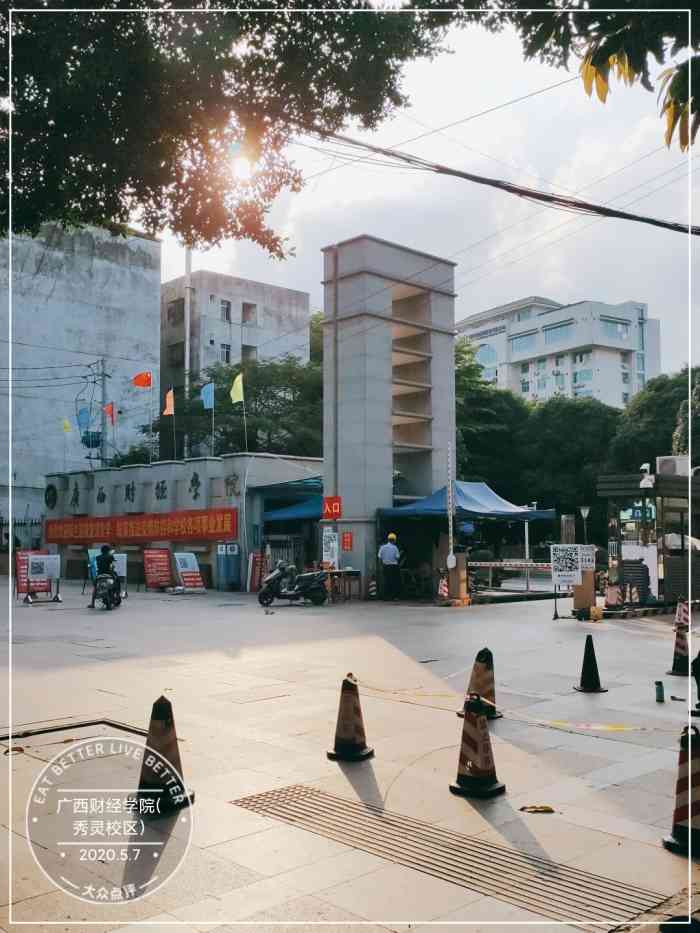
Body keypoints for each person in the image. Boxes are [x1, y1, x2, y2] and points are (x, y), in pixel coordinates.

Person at [88, 544, 118, 609]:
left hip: (99, 575)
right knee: (116, 581)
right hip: (108, 574)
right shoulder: (110, 556)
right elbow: (113, 565)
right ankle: (117, 594)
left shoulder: (97, 557)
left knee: (95, 587)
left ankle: (92, 604)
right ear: (108, 551)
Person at [378, 532, 401, 601]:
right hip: (394, 567)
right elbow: (397, 557)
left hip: (385, 566)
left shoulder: (382, 547)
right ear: (394, 540)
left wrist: (381, 565)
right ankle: (394, 597)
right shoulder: (395, 548)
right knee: (395, 582)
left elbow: (379, 557)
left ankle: (386, 597)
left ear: (388, 539)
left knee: (386, 581)